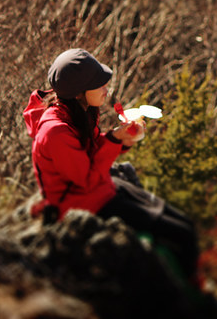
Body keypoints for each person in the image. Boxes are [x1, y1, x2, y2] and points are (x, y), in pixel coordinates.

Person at [23, 48, 199, 282]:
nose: (106, 89)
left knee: (186, 226)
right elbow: (85, 179)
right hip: (81, 203)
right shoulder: (55, 132)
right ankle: (189, 299)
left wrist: (121, 139)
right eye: (99, 84)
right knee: (183, 235)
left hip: (100, 188)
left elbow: (92, 152)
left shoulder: (76, 112)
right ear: (79, 93)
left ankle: (191, 289)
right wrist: (115, 140)